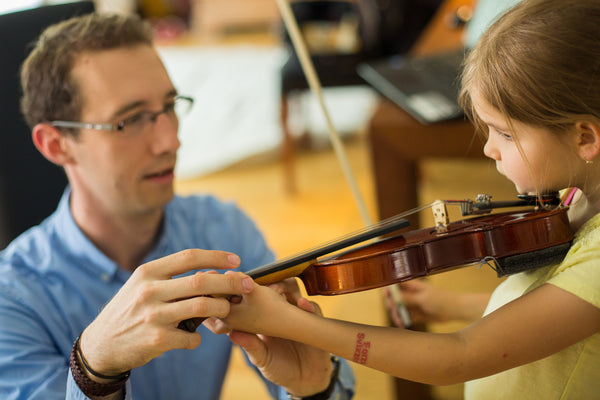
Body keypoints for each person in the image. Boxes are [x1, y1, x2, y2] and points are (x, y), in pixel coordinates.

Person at [215, 0, 600, 398]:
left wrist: (294, 326)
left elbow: (460, 356)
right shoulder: (575, 193)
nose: (490, 149)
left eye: (504, 133)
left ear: (584, 138)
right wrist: (453, 307)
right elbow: (552, 307)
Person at [0, 12, 354, 400]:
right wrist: (92, 371)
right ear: (56, 144)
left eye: (169, 105)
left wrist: (315, 389)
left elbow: (315, 379)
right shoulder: (12, 299)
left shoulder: (224, 232)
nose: (170, 141)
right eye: (131, 120)